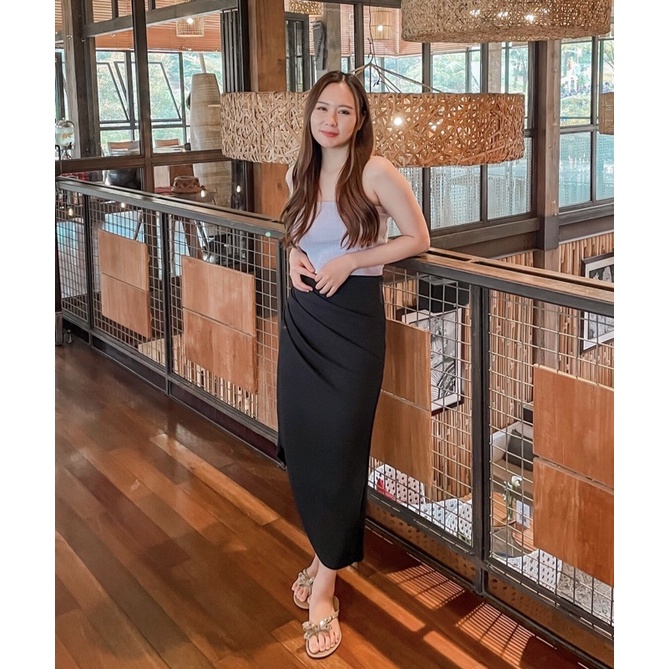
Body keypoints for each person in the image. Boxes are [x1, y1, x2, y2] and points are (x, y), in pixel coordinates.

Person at [276, 70, 430, 660]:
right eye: (323, 109)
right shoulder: (299, 170)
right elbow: (296, 234)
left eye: (343, 111)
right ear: (311, 114)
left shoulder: (375, 171)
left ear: (359, 119)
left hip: (354, 323)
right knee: (305, 441)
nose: (331, 120)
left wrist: (353, 261)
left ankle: (325, 586)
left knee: (342, 447)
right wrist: (294, 256)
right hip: (303, 319)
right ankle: (323, 555)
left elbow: (417, 238)